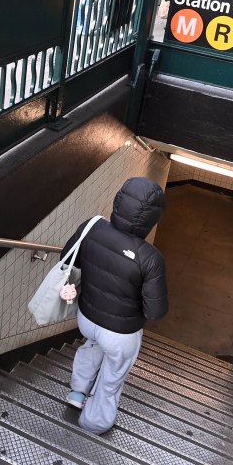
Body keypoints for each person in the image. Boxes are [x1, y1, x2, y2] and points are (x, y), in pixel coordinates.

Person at [62, 177, 168, 434]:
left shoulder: (92, 226)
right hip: (120, 333)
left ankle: (77, 393)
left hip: (87, 318)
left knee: (91, 347)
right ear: (152, 219)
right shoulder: (150, 258)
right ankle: (94, 422)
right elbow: (155, 311)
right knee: (112, 376)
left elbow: (67, 259)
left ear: (118, 201)